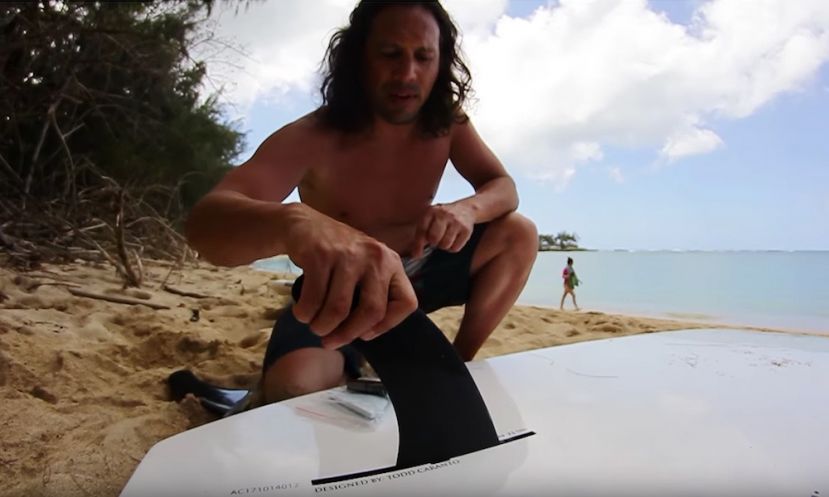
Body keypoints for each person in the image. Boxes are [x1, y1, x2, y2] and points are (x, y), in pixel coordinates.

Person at [185, 0, 538, 405]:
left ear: (440, 64)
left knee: (519, 232)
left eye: (423, 57)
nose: (407, 74)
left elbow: (503, 187)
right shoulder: (313, 135)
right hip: (338, 292)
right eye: (390, 54)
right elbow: (205, 225)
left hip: (420, 277)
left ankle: (455, 365)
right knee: (295, 388)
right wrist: (294, 223)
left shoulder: (448, 123)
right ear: (359, 60)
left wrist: (466, 209)